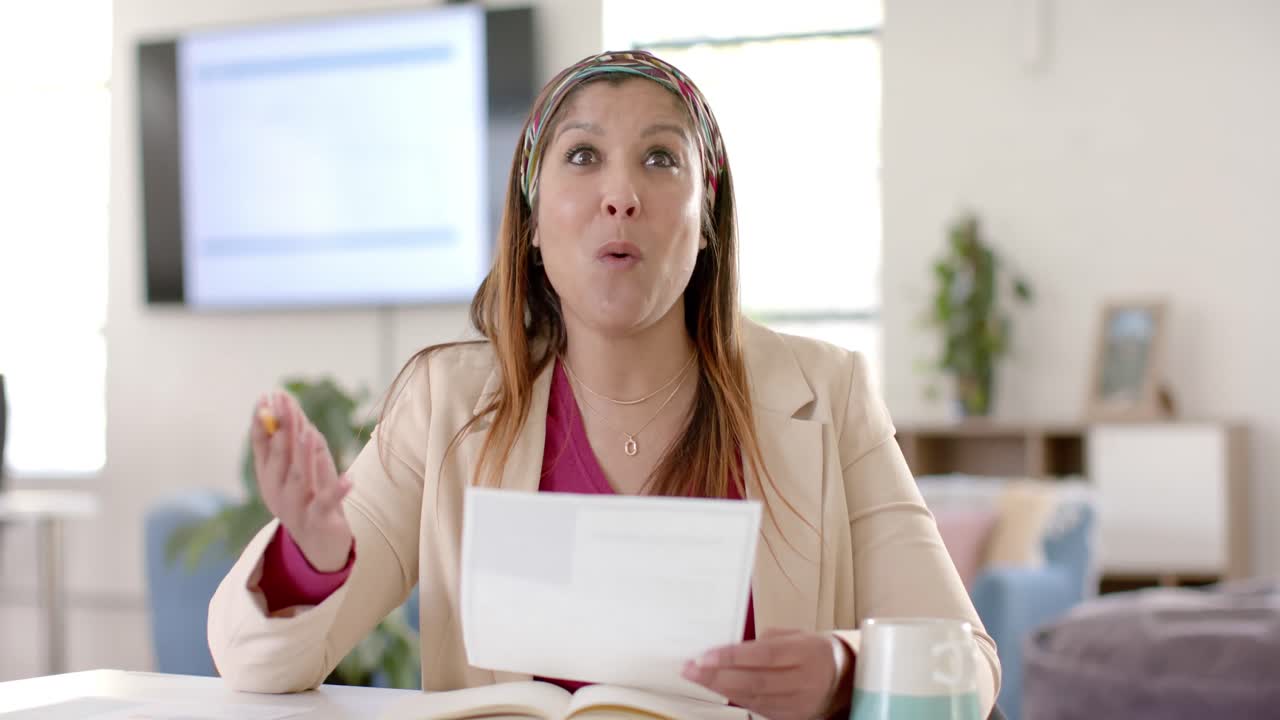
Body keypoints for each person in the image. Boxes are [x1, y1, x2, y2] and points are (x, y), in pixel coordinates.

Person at [208, 50, 1000, 720]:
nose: (620, 194)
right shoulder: (441, 404)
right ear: (532, 211)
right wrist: (312, 557)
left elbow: (967, 664)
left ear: (706, 215)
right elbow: (254, 664)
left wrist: (843, 668)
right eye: (583, 156)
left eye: (661, 159)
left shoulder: (827, 393)